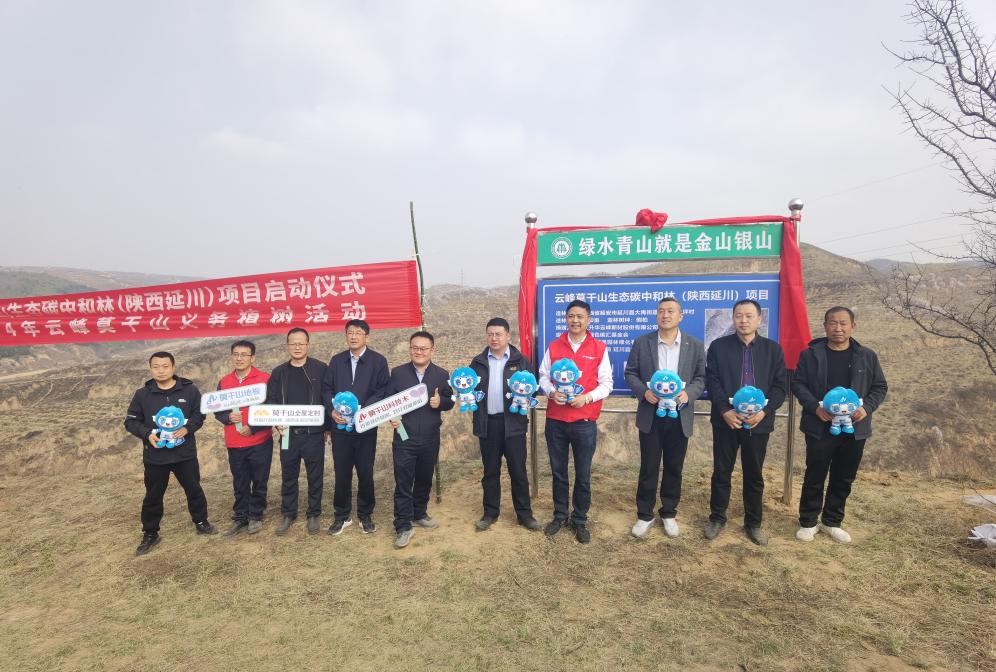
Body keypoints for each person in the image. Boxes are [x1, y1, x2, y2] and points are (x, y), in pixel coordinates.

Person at [791, 306, 888, 544]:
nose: (838, 328)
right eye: (833, 323)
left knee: (844, 476)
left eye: (843, 323)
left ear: (852, 326)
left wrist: (866, 408)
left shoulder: (866, 356)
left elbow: (879, 387)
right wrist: (815, 407)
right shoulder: (811, 354)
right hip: (820, 425)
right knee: (815, 474)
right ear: (825, 326)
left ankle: (832, 521)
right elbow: (798, 384)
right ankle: (808, 521)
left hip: (854, 428)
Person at [704, 299, 787, 546]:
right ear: (733, 318)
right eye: (739, 315)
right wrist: (725, 410)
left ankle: (753, 523)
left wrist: (765, 411)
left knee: (754, 474)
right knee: (722, 472)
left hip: (758, 422)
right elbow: (712, 382)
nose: (743, 320)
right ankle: (717, 518)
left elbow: (780, 386)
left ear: (759, 319)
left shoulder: (773, 350)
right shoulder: (719, 347)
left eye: (749, 316)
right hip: (726, 421)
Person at [624, 297, 706, 539]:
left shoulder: (694, 345)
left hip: (679, 415)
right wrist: (644, 392)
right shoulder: (643, 342)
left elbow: (701, 378)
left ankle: (669, 512)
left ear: (681, 316)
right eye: (661, 311)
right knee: (648, 467)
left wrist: (688, 394)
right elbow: (631, 373)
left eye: (671, 311)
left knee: (674, 466)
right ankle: (644, 515)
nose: (665, 315)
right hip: (652, 414)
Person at [125, 351, 216, 555]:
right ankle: (150, 533)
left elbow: (199, 414)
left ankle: (201, 522)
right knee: (153, 495)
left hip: (185, 454)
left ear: (173, 367)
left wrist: (188, 428)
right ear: (150, 369)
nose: (161, 370)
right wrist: (147, 434)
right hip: (155, 455)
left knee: (194, 489)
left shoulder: (190, 390)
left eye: (165, 366)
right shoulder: (142, 395)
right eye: (156, 366)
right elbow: (131, 421)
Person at [538, 299, 613, 544]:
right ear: (566, 318)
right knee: (558, 472)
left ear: (588, 320)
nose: (575, 320)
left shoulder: (599, 348)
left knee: (583, 474)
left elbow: (607, 384)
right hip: (556, 420)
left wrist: (586, 398)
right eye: (571, 316)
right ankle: (560, 515)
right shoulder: (554, 346)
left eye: (580, 316)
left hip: (584, 421)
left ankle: (579, 519)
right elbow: (543, 376)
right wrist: (551, 392)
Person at [469, 317, 542, 532]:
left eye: (498, 334)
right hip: (488, 424)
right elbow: (469, 389)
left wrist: (526, 397)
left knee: (518, 471)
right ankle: (490, 513)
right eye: (490, 334)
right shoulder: (478, 362)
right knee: (490, 472)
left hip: (513, 425)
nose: (494, 338)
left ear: (508, 336)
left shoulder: (521, 361)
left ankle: (525, 515)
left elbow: (533, 388)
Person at [322, 319, 390, 535]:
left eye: (358, 332)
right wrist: (331, 410)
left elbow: (383, 390)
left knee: (365, 471)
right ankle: (342, 515)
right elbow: (326, 389)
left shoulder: (378, 361)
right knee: (342, 473)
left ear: (366, 337)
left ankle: (365, 514)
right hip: (340, 427)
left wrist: (364, 411)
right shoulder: (337, 361)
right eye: (349, 332)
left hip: (365, 427)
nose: (353, 336)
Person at [387, 331, 454, 548]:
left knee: (425, 478)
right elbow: (388, 401)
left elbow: (451, 400)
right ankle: (403, 525)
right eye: (415, 348)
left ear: (432, 350)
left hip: (430, 437)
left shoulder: (441, 374)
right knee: (403, 481)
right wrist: (392, 416)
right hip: (403, 437)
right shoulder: (398, 373)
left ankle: (419, 512)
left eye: (423, 348)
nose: (419, 352)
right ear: (410, 349)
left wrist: (440, 402)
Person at [265, 327, 331, 536]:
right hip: (288, 435)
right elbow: (270, 400)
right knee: (289, 475)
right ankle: (288, 513)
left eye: (301, 343)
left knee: (315, 476)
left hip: (314, 434)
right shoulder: (279, 372)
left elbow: (327, 398)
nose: (297, 347)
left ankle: (313, 513)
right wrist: (276, 421)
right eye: (293, 343)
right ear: (287, 345)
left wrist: (328, 428)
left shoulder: (320, 369)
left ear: (308, 345)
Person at [213, 340, 273, 536]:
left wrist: (254, 427)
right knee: (240, 481)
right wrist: (228, 417)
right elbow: (218, 411)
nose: (239, 358)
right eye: (236, 354)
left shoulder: (265, 379)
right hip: (235, 442)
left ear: (252, 358)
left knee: (259, 479)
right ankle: (240, 516)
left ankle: (255, 514)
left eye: (244, 355)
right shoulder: (224, 382)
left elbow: (272, 408)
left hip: (260, 441)